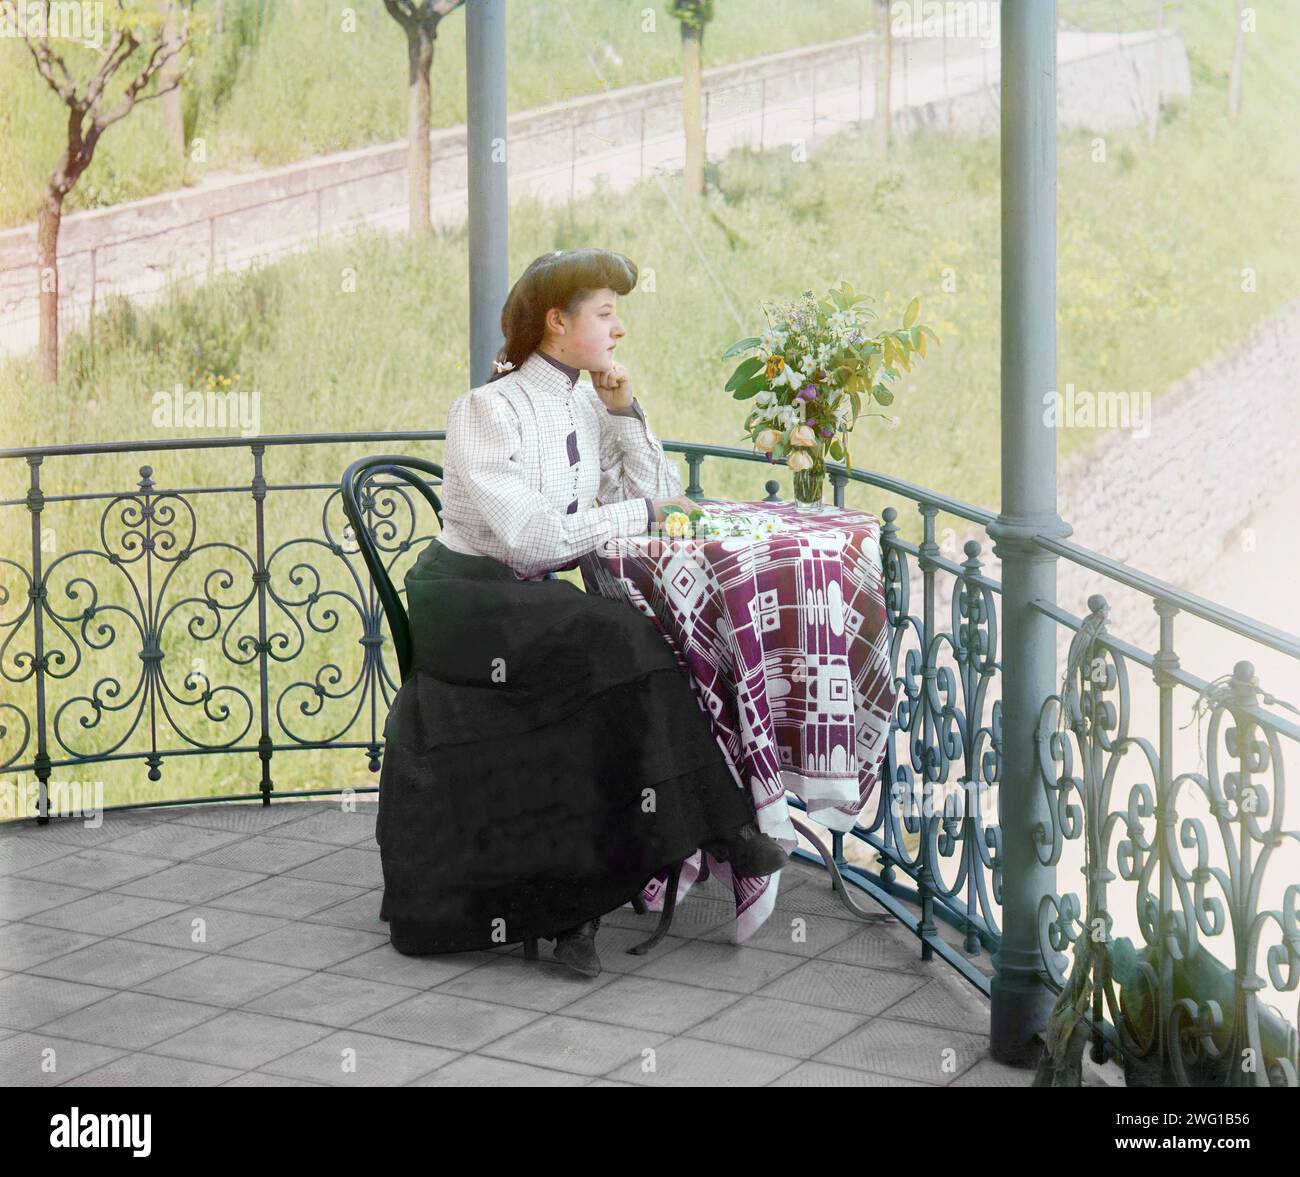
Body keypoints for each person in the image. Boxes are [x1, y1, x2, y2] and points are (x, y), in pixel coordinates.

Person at [375, 248, 788, 978]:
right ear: (558, 322)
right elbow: (531, 536)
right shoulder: (487, 410)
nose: (620, 328)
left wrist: (625, 412)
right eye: (605, 313)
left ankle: (578, 912)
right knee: (619, 636)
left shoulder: (587, 403)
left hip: (528, 601)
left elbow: (659, 493)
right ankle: (723, 828)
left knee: (617, 668)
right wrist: (638, 506)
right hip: (465, 602)